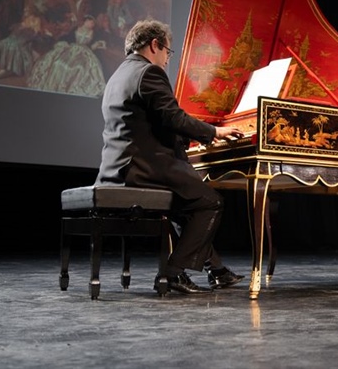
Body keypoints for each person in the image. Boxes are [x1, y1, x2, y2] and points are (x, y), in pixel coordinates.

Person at [95, 19, 245, 294]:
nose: (166, 60)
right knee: (209, 203)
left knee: (187, 205)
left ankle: (218, 270)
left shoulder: (118, 75)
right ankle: (172, 273)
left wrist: (195, 135)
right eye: (167, 52)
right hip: (144, 166)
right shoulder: (149, 72)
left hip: (120, 167)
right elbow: (172, 117)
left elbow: (151, 121)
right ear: (155, 45)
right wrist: (215, 132)